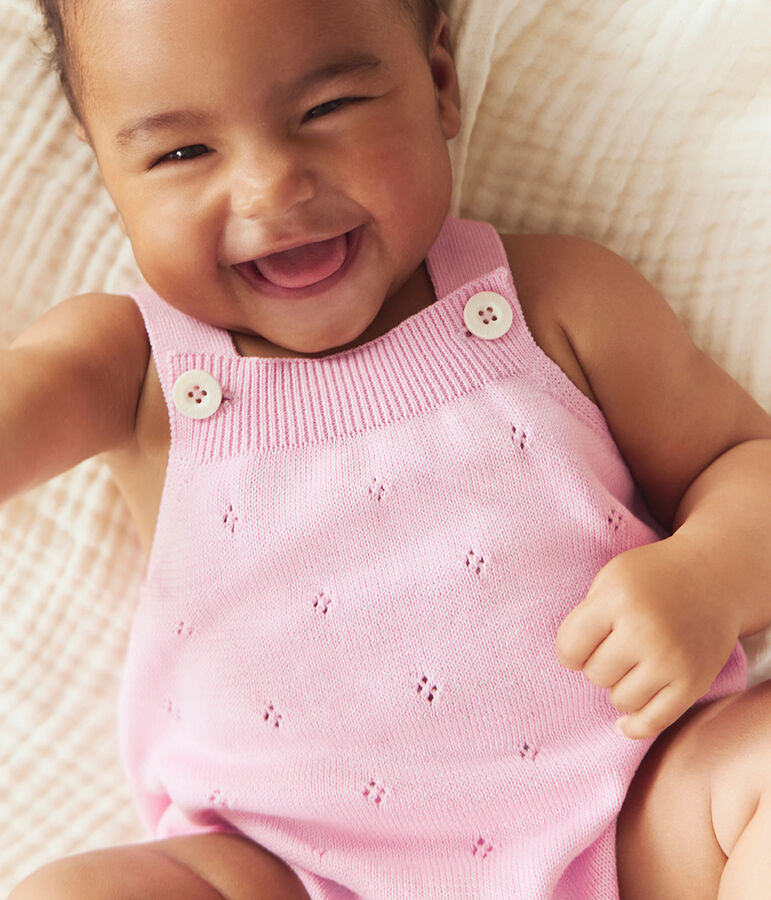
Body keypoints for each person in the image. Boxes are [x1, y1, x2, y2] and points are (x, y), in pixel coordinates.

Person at [5, 0, 771, 897]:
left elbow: (740, 462)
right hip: (287, 868)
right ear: (109, 178)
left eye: (327, 109)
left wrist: (707, 576)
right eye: (182, 153)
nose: (270, 188)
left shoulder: (555, 299)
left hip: (631, 816)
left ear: (438, 85)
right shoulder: (133, 367)